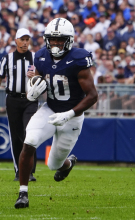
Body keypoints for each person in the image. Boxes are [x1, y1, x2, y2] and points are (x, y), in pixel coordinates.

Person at [14, 18, 98, 208]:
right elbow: (36, 81)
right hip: (50, 110)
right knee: (30, 142)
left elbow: (92, 96)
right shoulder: (41, 56)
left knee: (54, 164)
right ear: (47, 39)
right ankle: (23, 194)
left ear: (69, 40)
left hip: (72, 116)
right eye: (53, 39)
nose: (56, 43)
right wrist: (32, 89)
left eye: (60, 40)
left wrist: (69, 114)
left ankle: (68, 164)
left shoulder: (78, 59)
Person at [0, 28, 38, 181]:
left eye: (27, 39)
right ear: (15, 41)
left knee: (30, 133)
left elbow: (44, 77)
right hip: (13, 99)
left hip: (31, 99)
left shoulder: (36, 57)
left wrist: (36, 76)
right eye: (22, 39)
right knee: (16, 136)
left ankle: (29, 171)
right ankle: (19, 171)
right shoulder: (7, 58)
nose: (25, 43)